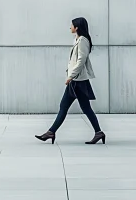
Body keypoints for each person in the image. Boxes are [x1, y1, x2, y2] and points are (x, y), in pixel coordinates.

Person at [35, 17, 106, 145]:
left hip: (77, 81)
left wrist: (71, 76)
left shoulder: (83, 40)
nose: (70, 27)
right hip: (77, 80)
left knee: (68, 107)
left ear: (77, 27)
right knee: (80, 107)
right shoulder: (78, 39)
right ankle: (98, 132)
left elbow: (81, 60)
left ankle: (51, 132)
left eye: (72, 25)